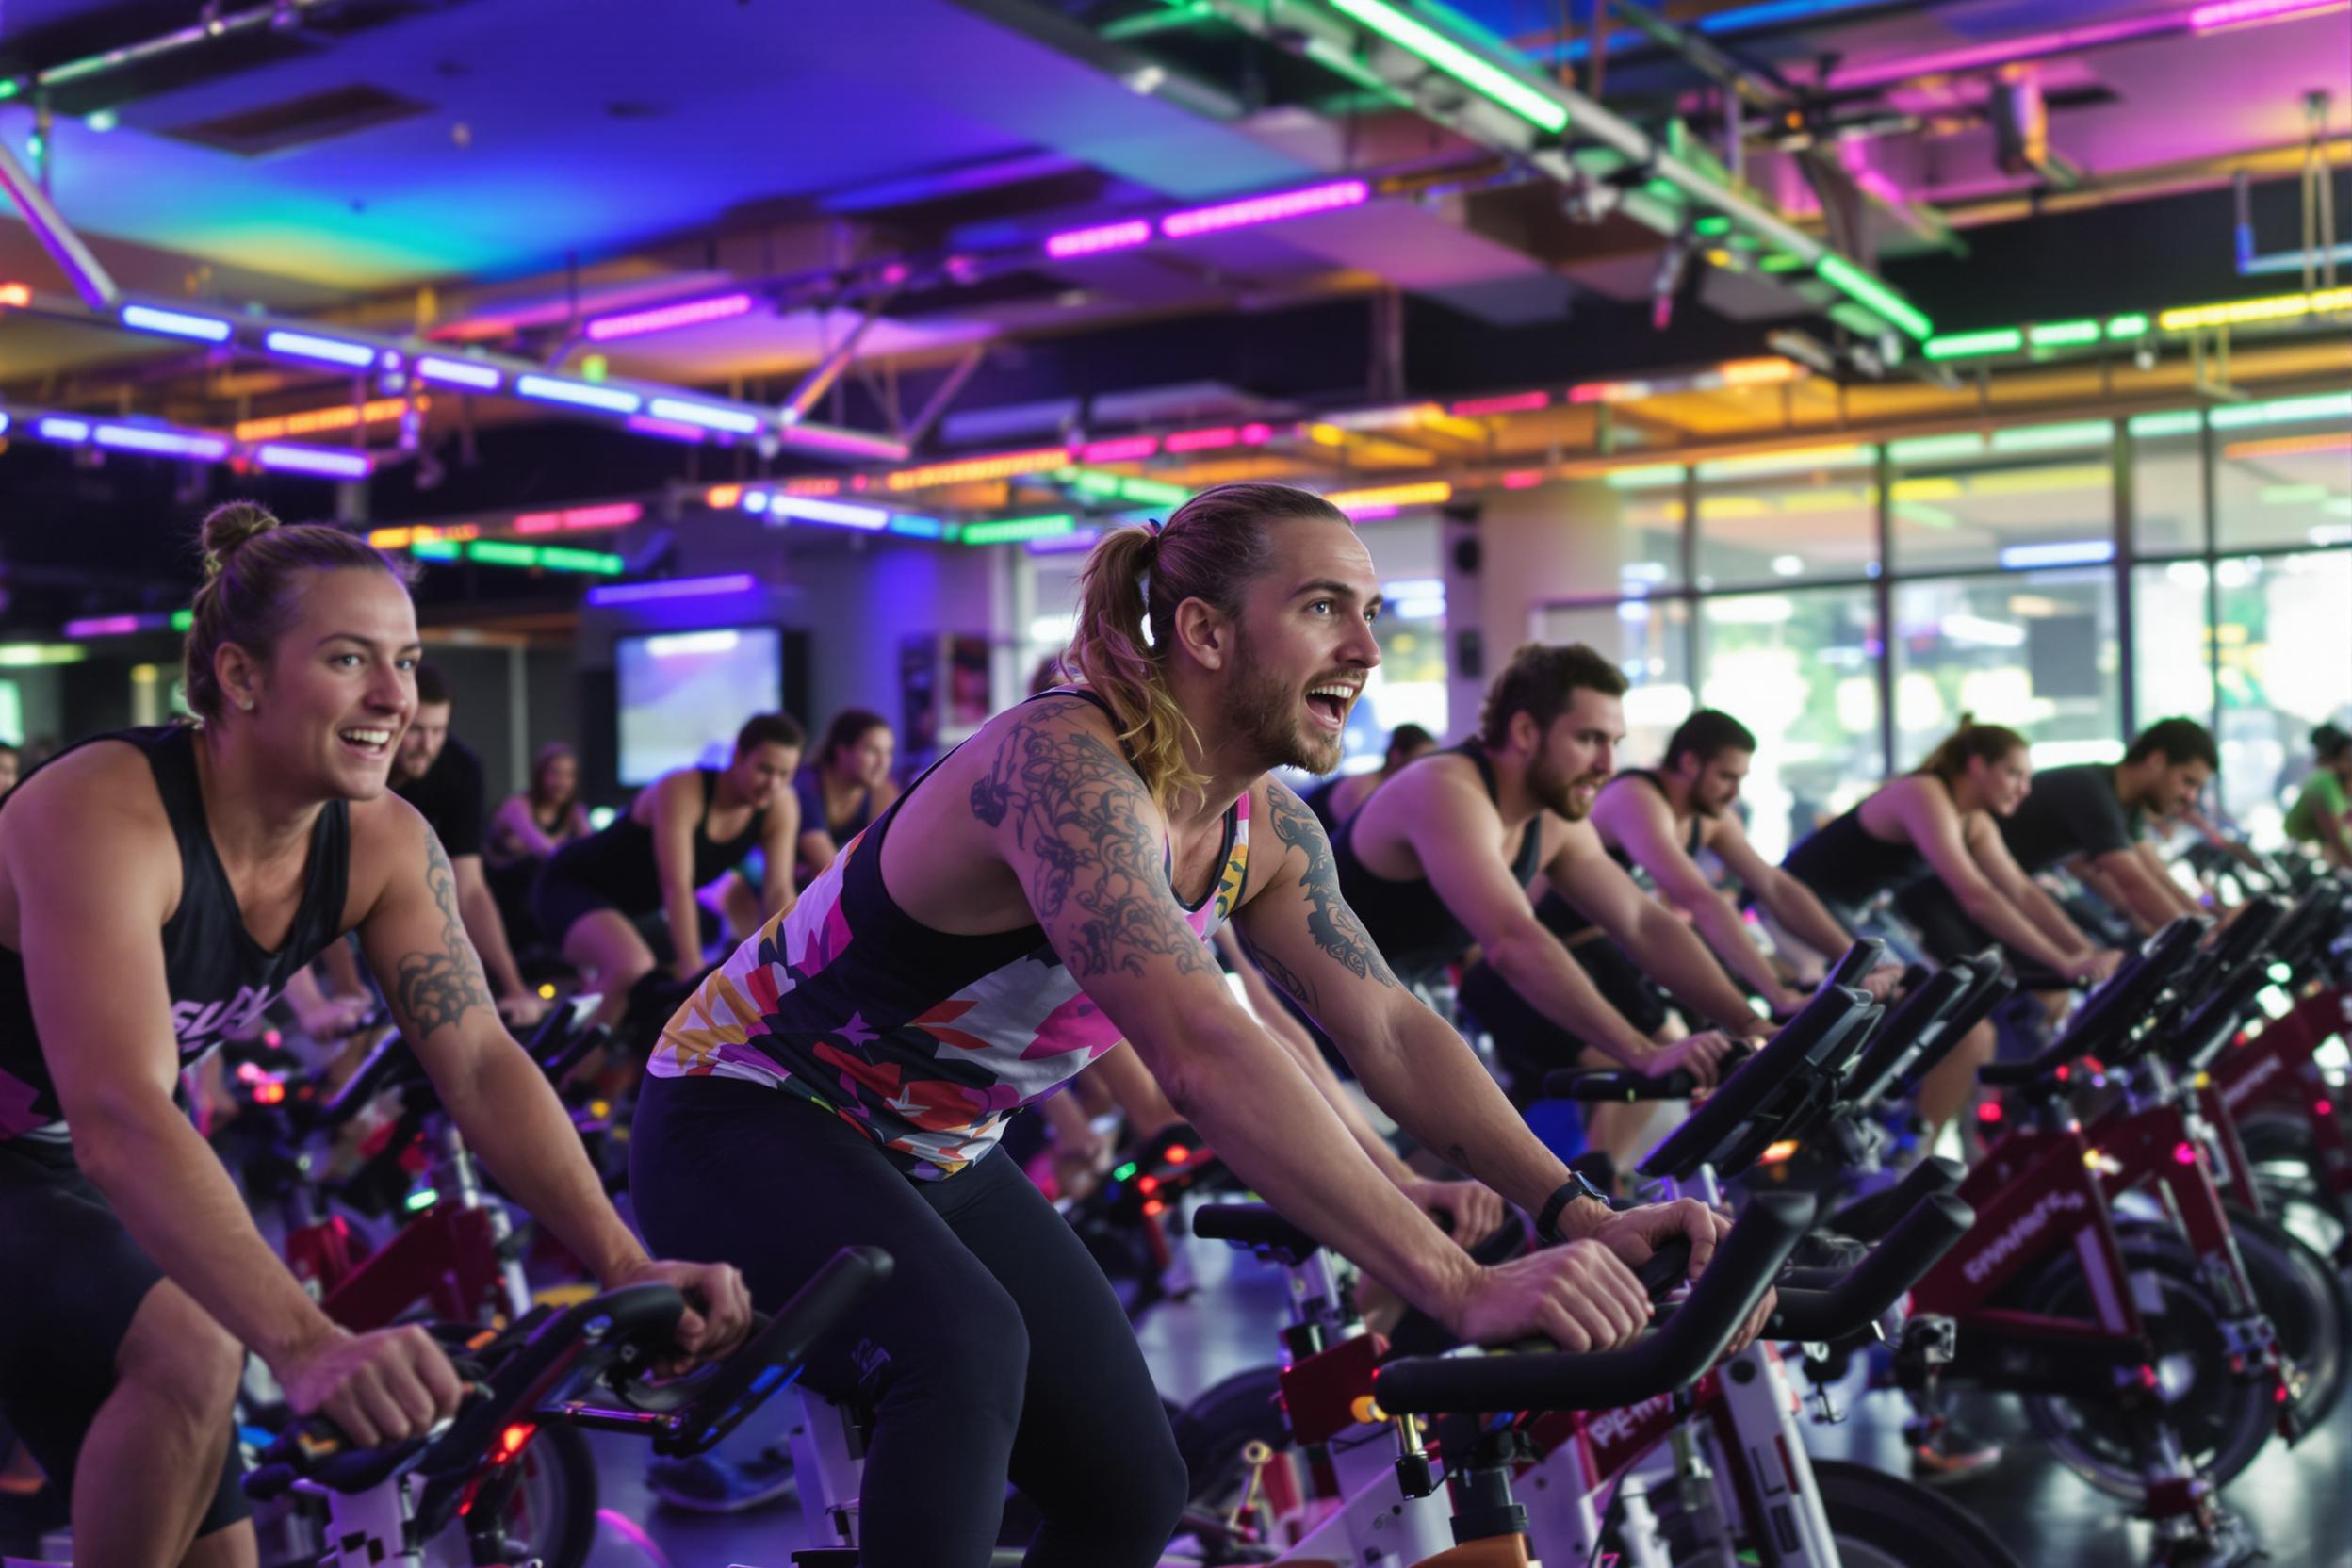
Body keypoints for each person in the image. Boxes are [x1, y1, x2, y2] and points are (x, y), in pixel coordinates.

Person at [629, 486, 1768, 1568]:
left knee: (1134, 1482)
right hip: (744, 1113)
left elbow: (1389, 1026)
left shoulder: (1263, 826)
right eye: (1325, 608)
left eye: (1370, 615)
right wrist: (1455, 1283)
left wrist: (1575, 1206)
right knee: (962, 1350)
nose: (1366, 649)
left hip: (936, 1152)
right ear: (1205, 632)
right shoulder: (1065, 765)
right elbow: (1201, 1048)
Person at [0, 502, 749, 1568]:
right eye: (351, 658)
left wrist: (626, 1259)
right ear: (242, 677)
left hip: (53, 1164)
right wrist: (307, 1343)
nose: (395, 698)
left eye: (403, 660)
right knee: (200, 1345)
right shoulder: (103, 809)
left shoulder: (385, 842)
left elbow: (482, 1062)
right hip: (64, 1148)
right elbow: (121, 1111)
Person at [1783, 718, 2123, 1143]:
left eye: (2027, 778)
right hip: (1800, 906)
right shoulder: (1924, 793)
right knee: (1963, 1029)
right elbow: (1977, 895)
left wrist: (2084, 951)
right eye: (2014, 774)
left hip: (1860, 913)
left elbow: (2021, 889)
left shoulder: (1973, 819)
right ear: (1977, 766)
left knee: (1970, 1029)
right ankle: (1907, 1153)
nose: (2024, 789)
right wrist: (2064, 961)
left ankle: (1923, 1145)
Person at [1589, 709, 1899, 1014]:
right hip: (1573, 947)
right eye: (1725, 777)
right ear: (1690, 762)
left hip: (1618, 948)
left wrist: (1856, 963)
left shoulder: (1710, 817)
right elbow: (1701, 901)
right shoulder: (1635, 799)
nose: (1734, 793)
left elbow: (1775, 887)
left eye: (1740, 779)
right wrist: (1778, 994)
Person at [533, 713, 802, 1030]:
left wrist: (793, 969)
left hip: (638, 910)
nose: (773, 783)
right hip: (573, 886)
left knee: (657, 1002)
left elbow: (778, 892)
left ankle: (612, 1072)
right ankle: (565, 1074)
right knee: (632, 967)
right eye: (764, 769)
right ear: (738, 757)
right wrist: (693, 975)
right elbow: (677, 887)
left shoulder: (780, 805)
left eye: (785, 774)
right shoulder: (683, 788)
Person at [1895, 716, 2220, 954]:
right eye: (2187, 782)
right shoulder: (2092, 792)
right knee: (2014, 1013)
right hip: (1940, 896)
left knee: (2056, 993)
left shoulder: (2125, 804)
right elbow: (2133, 880)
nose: (2190, 797)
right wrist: (2200, 942)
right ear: (2156, 761)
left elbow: (2154, 873)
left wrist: (2206, 926)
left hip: (1998, 890)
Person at [389, 665, 546, 1029]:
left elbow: (470, 888)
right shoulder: (359, 767)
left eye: (438, 731)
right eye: (415, 731)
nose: (428, 745)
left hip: (408, 901)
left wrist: (513, 987)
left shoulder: (459, 766)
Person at [794, 709, 902, 885]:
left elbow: (893, 859)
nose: (883, 763)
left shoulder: (880, 791)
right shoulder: (806, 788)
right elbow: (832, 870)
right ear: (842, 751)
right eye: (872, 751)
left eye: (888, 752)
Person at [1300, 722, 1437, 835]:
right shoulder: (1363, 788)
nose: (1424, 768)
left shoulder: (1388, 789)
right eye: (1420, 760)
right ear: (1396, 756)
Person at [2282, 722, 2352, 870]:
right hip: (2307, 859)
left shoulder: (2341, 788)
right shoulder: (2323, 783)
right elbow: (2336, 842)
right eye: (2347, 758)